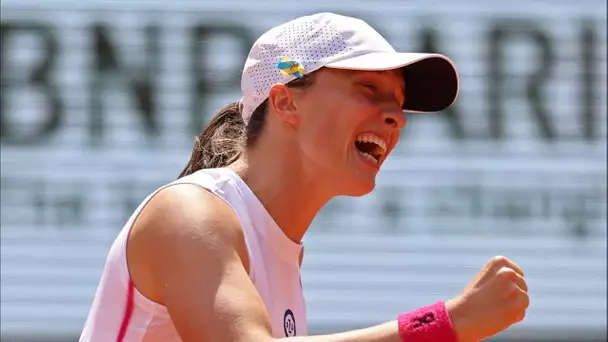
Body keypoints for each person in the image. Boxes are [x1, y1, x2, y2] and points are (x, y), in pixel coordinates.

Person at [80, 12, 529, 342]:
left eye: (399, 102)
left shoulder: (278, 255)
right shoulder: (189, 212)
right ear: (286, 102)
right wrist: (443, 325)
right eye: (369, 88)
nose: (397, 117)